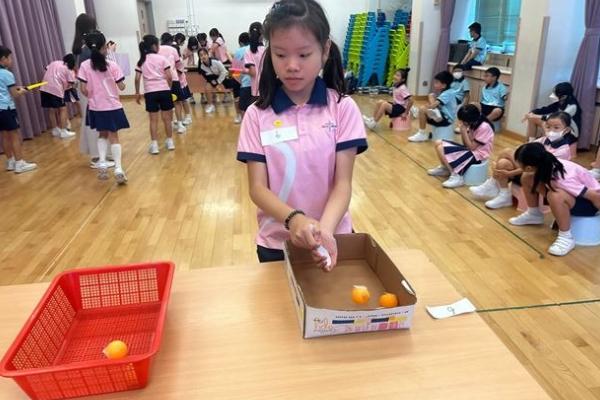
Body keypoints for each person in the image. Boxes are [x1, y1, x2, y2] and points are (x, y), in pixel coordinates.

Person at [236, 0, 368, 267]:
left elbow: (343, 184)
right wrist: (294, 219)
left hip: (333, 237)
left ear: (325, 50)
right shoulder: (256, 115)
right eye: (280, 55)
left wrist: (324, 232)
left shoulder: (342, 108)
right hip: (277, 244)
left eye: (304, 55)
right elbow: (258, 188)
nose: (292, 65)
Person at [508, 142, 600, 256]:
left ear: (529, 167)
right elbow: (526, 172)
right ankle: (534, 214)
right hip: (573, 197)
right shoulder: (546, 162)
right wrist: (509, 173)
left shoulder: (564, 178)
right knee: (527, 177)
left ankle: (566, 237)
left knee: (555, 195)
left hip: (590, 204)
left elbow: (595, 196)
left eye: (520, 165)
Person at [471, 111, 573, 209]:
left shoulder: (563, 151)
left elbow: (538, 168)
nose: (551, 131)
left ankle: (492, 183)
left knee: (507, 152)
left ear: (566, 130)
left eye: (556, 128)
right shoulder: (543, 140)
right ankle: (504, 195)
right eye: (548, 127)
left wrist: (510, 173)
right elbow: (525, 151)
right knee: (503, 163)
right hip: (530, 170)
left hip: (543, 178)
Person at [77, 31, 130, 184]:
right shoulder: (112, 65)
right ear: (104, 47)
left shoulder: (84, 66)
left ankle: (101, 162)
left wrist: (93, 96)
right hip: (113, 106)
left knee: (102, 134)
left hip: (96, 107)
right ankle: (118, 168)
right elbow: (121, 86)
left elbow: (83, 89)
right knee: (114, 137)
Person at [71, 13, 114, 169]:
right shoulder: (87, 49)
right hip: (90, 87)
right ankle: (97, 157)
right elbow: (95, 69)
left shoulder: (80, 46)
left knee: (91, 120)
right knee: (94, 121)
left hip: (86, 86)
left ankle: (99, 154)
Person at [427, 104, 494, 188]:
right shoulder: (473, 123)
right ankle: (446, 168)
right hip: (471, 150)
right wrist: (464, 131)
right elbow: (466, 144)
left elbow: (471, 148)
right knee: (438, 142)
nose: (461, 122)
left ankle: (456, 176)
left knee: (441, 148)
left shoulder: (484, 127)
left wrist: (463, 131)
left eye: (463, 121)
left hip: (478, 155)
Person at [135, 34, 175, 155]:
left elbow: (137, 78)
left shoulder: (141, 61)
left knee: (153, 120)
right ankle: (170, 142)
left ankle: (154, 145)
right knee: (167, 118)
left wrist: (137, 92)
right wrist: (169, 88)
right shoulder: (162, 59)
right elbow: (169, 76)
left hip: (150, 92)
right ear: (154, 46)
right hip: (164, 90)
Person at [0, 45, 37, 174]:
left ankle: (10, 162)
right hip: (7, 108)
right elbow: (14, 94)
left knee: (4, 135)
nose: (11, 60)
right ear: (3, 59)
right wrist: (22, 91)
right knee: (15, 135)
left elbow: (5, 89)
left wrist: (17, 88)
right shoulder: (7, 74)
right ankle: (19, 163)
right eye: (10, 58)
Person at [522, 82, 581, 157]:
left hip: (570, 131)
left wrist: (536, 116)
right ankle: (531, 143)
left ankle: (542, 145)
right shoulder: (560, 102)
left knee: (544, 122)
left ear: (564, 96)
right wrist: (532, 113)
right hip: (558, 125)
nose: (553, 95)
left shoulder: (572, 106)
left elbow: (560, 118)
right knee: (532, 118)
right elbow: (546, 109)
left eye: (555, 93)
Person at [408, 71, 456, 142]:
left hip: (446, 119)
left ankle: (421, 133)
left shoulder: (447, 93)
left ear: (443, 85)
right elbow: (438, 105)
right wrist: (429, 106)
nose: (434, 84)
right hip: (445, 117)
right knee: (430, 98)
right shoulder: (449, 91)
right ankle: (419, 114)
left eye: (436, 82)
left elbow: (434, 106)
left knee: (422, 109)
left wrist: (428, 106)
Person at [198, 47, 241, 122]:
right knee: (207, 87)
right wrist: (215, 85)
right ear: (199, 57)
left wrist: (218, 82)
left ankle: (239, 112)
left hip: (225, 75)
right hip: (214, 77)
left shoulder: (216, 61)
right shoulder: (201, 67)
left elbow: (224, 72)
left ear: (208, 54)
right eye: (201, 55)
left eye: (204, 54)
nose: (203, 56)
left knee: (235, 91)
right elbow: (208, 78)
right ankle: (210, 105)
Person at [40, 54, 77, 139]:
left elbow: (46, 69)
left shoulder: (55, 62)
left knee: (51, 109)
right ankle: (64, 131)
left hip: (45, 87)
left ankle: (55, 129)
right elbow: (71, 84)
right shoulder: (69, 69)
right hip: (56, 89)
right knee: (63, 109)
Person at [159, 33, 187, 133]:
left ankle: (169, 124)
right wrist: (179, 72)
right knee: (177, 102)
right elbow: (179, 64)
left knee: (165, 104)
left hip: (161, 81)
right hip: (173, 78)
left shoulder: (156, 50)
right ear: (171, 41)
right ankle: (179, 124)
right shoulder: (173, 49)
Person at [244, 22, 266, 102]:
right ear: (262, 35)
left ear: (250, 34)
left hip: (256, 90)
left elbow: (253, 72)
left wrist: (243, 71)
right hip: (269, 89)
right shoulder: (267, 50)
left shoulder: (248, 51)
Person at [234, 32, 252, 117]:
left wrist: (241, 82)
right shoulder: (258, 49)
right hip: (260, 85)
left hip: (246, 84)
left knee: (244, 110)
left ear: (240, 43)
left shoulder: (239, 51)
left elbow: (235, 72)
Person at [450, 64, 470, 133]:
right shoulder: (451, 81)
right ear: (452, 72)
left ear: (463, 72)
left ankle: (460, 126)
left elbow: (467, 95)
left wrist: (463, 105)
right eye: (455, 71)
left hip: (457, 98)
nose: (457, 73)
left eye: (459, 71)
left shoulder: (465, 82)